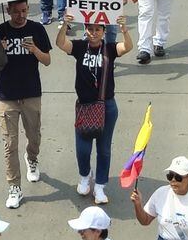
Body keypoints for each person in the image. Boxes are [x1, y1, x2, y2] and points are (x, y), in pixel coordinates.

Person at [56, 17, 133, 205]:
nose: (94, 33)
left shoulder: (109, 49)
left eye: (98, 29)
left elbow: (127, 47)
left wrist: (124, 29)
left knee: (104, 149)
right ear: (85, 30)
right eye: (90, 29)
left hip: (107, 106)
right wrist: (64, 25)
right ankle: (84, 176)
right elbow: (60, 43)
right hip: (84, 106)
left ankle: (100, 186)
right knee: (83, 148)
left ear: (104, 31)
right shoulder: (80, 48)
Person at [0, 0, 51, 209]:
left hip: (31, 93)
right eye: (16, 12)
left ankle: (32, 158)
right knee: (9, 144)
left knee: (34, 136)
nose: (21, 15)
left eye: (24, 11)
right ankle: (14, 186)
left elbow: (47, 60)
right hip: (7, 97)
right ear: (8, 11)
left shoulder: (37, 29)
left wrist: (35, 50)